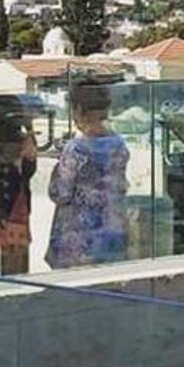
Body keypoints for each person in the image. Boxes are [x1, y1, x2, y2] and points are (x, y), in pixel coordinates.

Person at [47, 77, 129, 268]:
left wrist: (55, 172)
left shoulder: (75, 149)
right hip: (111, 228)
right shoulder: (118, 144)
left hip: (79, 236)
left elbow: (61, 193)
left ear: (78, 110)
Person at [0, 93, 38, 274]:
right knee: (15, 267)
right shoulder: (22, 141)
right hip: (16, 207)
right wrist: (30, 128)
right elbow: (29, 170)